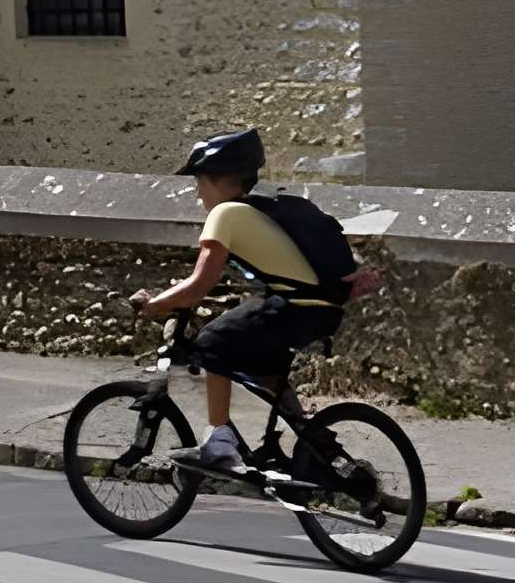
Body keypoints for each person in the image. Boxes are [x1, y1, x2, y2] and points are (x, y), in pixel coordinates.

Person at [128, 127, 377, 472]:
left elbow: (200, 282)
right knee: (263, 369)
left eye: (199, 181)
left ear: (217, 180)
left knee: (212, 342)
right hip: (315, 309)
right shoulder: (256, 210)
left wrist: (156, 304)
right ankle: (316, 449)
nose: (197, 193)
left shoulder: (225, 214)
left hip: (293, 307)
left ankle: (219, 443)